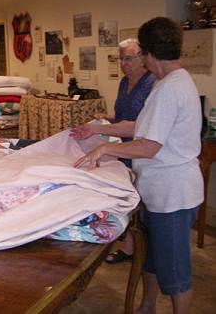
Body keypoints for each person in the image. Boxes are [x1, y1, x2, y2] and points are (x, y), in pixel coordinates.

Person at [71, 17, 203, 314]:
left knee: (175, 271)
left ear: (147, 53)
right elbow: (139, 127)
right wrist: (98, 132)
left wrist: (106, 149)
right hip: (162, 192)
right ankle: (146, 306)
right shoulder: (169, 82)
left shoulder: (170, 89)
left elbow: (148, 146)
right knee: (153, 258)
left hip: (173, 195)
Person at [95, 38, 155, 264]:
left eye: (128, 58)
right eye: (120, 59)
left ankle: (140, 248)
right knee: (125, 196)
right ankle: (129, 247)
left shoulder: (151, 84)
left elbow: (139, 124)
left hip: (141, 149)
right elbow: (121, 115)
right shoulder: (123, 82)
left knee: (140, 200)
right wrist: (105, 118)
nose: (123, 63)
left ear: (143, 57)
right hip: (121, 147)